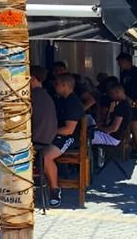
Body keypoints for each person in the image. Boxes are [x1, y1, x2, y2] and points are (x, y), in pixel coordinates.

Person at [44, 73, 85, 207]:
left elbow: (68, 130)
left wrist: (49, 131)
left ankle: (54, 190)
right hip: (57, 134)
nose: (54, 86)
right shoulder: (62, 99)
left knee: (46, 157)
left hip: (69, 138)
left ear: (64, 85)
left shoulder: (72, 103)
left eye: (57, 84)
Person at [30, 66, 58, 146]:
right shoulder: (45, 95)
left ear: (33, 78)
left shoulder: (32, 95)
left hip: (37, 140)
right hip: (47, 139)